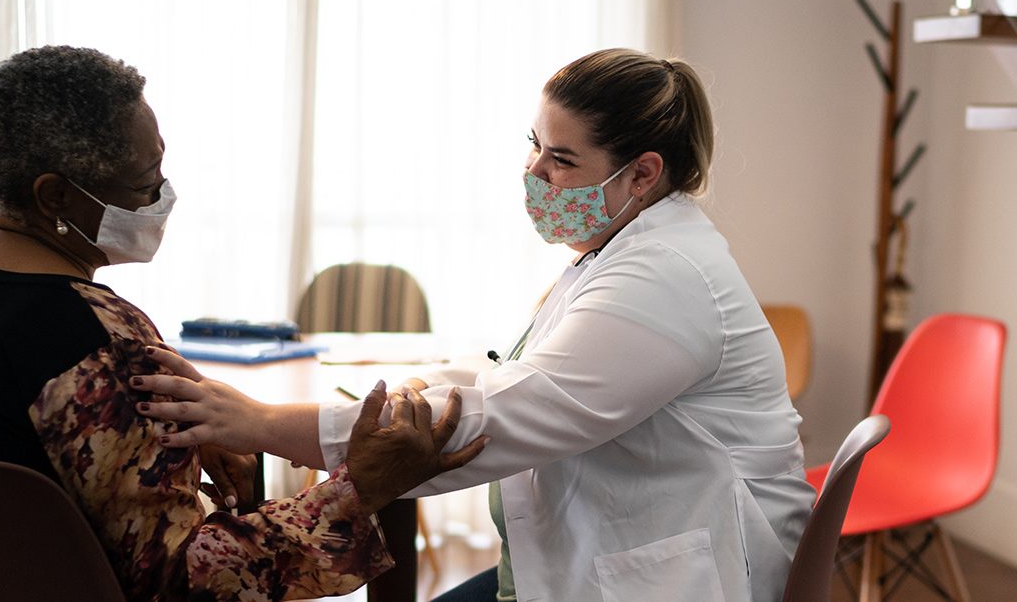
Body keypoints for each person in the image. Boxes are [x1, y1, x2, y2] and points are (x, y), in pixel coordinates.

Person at [135, 48, 816, 602]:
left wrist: (257, 422)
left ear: (642, 174)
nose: (535, 173)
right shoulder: (617, 252)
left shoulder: (665, 277)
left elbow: (505, 416)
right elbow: (514, 376)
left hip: (681, 576)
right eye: (535, 145)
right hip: (593, 559)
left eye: (562, 159)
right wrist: (408, 391)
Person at [0, 45, 485, 602]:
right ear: (55, 196)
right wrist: (361, 488)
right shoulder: (95, 341)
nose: (162, 195)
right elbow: (183, 582)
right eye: (142, 183)